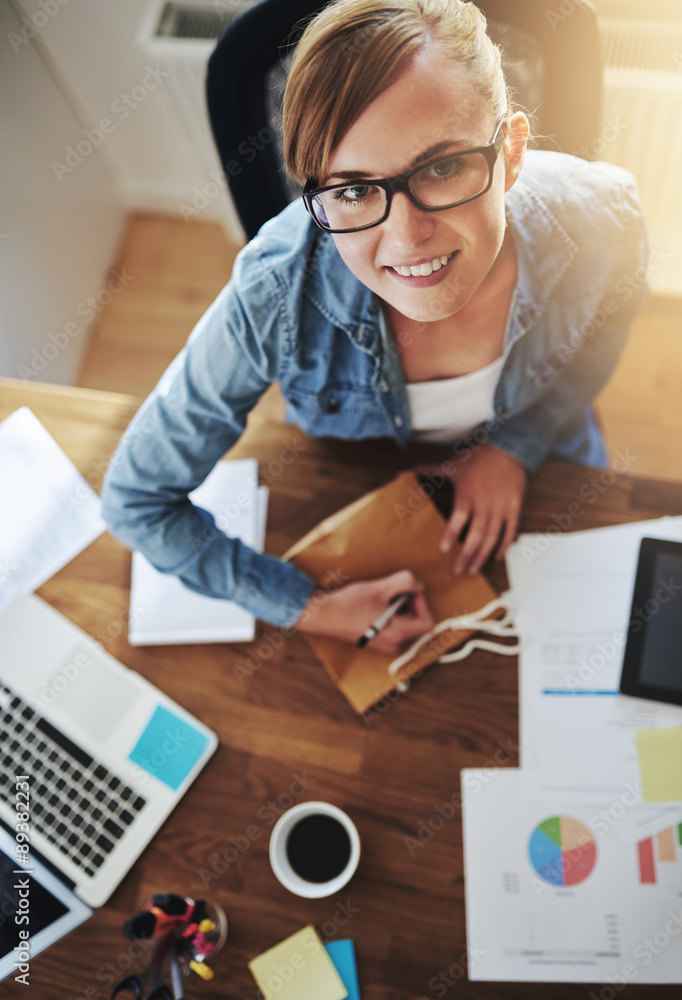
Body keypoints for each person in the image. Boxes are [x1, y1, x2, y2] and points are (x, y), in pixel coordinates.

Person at [101, 0, 648, 654]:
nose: (408, 238)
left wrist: (517, 446)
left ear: (511, 151)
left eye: (443, 168)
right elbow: (137, 499)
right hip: (358, 474)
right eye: (354, 190)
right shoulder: (274, 290)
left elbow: (602, 333)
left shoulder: (603, 217)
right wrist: (310, 607)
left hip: (546, 449)